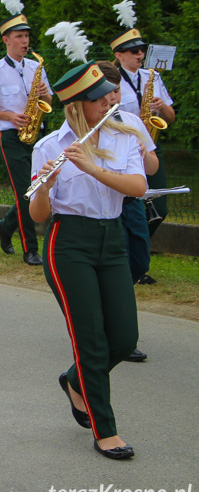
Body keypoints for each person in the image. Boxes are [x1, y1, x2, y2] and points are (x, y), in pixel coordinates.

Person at [29, 61, 146, 461]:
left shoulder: (124, 135)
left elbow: (137, 186)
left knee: (124, 337)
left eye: (109, 97)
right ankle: (105, 430)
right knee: (91, 341)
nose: (108, 104)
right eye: (99, 101)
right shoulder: (48, 146)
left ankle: (75, 380)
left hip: (112, 238)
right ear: (77, 106)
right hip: (69, 243)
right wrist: (43, 187)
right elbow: (39, 215)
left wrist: (90, 167)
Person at [0, 4, 53, 266]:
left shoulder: (37, 67)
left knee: (39, 188)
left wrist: (44, 93)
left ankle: (5, 226)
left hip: (37, 136)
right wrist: (9, 116)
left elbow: (50, 101)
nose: (25, 41)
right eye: (19, 36)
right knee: (26, 192)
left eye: (27, 36)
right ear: (6, 39)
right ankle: (30, 249)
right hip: (11, 137)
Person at [98, 60, 159, 364]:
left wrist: (144, 150)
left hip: (133, 201)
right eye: (106, 93)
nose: (112, 98)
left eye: (116, 91)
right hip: (108, 203)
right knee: (118, 264)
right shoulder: (90, 125)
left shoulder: (132, 121)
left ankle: (109, 307)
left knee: (140, 259)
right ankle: (119, 332)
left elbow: (152, 167)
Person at [110, 23, 175, 285]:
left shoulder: (153, 77)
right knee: (126, 208)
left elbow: (170, 116)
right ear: (119, 55)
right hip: (123, 151)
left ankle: (134, 252)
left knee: (161, 206)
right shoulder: (110, 81)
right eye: (133, 50)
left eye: (141, 50)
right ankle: (130, 261)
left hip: (148, 148)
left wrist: (161, 107)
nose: (140, 54)